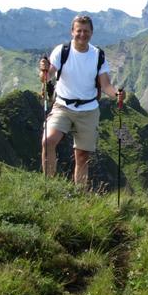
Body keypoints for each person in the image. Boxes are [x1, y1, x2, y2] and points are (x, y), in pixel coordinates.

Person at [39, 15, 125, 186]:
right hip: (62, 105)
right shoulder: (62, 51)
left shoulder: (97, 55)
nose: (82, 34)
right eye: (79, 31)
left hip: (88, 109)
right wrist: (44, 70)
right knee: (48, 141)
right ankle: (48, 187)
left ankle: (79, 194)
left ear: (91, 33)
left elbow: (106, 84)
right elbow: (47, 75)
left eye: (86, 31)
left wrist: (116, 95)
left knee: (82, 156)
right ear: (72, 32)